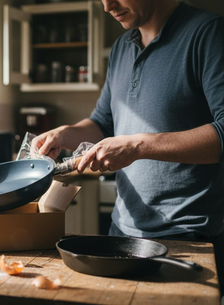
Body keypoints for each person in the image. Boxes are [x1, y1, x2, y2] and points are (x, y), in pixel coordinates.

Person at [32, 0, 224, 294]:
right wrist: (65, 133)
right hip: (122, 232)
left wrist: (138, 145)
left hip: (190, 236)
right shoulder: (121, 46)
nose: (107, 6)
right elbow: (103, 122)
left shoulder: (208, 34)